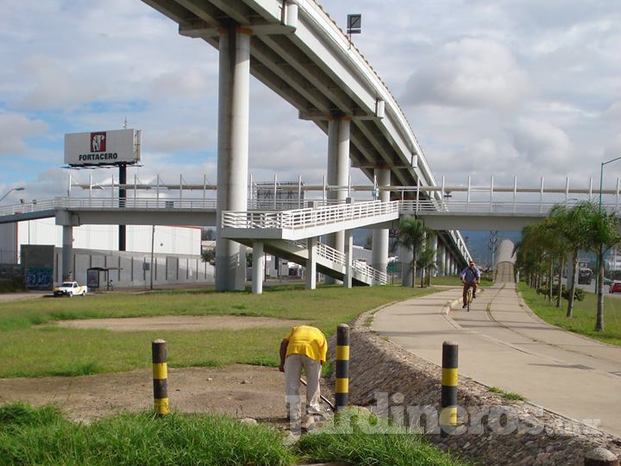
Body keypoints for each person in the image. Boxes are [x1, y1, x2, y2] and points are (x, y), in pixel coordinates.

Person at [279, 325, 327, 426]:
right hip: (312, 353)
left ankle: (293, 414)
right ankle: (313, 411)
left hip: (293, 351)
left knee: (291, 385)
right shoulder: (320, 335)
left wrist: (282, 363)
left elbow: (283, 343)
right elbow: (321, 360)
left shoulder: (296, 329)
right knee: (313, 383)